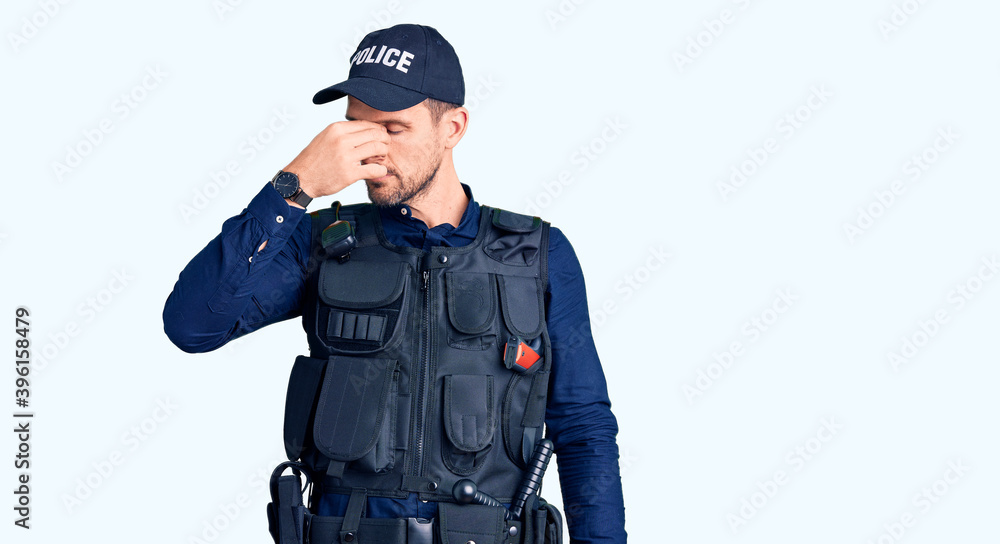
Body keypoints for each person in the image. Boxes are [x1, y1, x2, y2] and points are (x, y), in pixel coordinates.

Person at [163, 23, 626, 544]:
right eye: (356, 128)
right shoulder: (319, 241)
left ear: (453, 128)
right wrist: (293, 188)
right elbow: (191, 325)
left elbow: (583, 428)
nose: (371, 150)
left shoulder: (538, 255)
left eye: (393, 129)